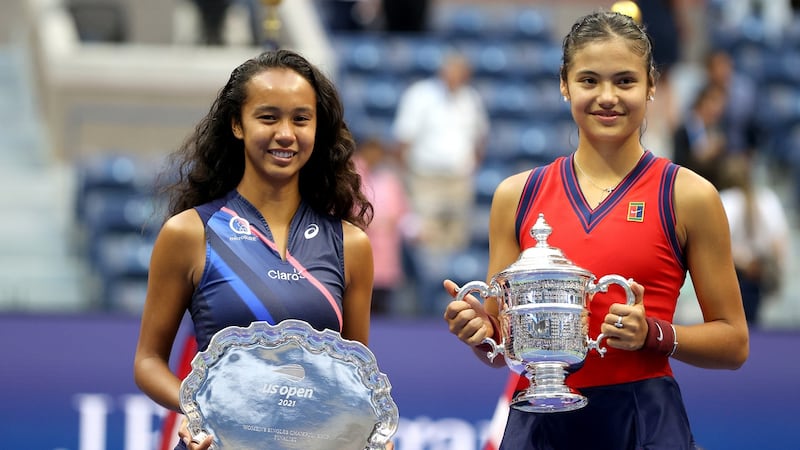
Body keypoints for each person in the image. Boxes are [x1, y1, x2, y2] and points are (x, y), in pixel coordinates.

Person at [443, 11, 749, 450]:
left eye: (625, 81)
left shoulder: (689, 195)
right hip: (540, 422)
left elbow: (734, 342)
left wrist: (654, 334)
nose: (608, 97)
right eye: (589, 80)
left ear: (652, 85)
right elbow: (506, 347)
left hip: (644, 422)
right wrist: (480, 331)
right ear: (564, 84)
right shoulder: (516, 196)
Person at [132, 49, 389, 449]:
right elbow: (148, 362)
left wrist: (367, 430)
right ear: (237, 124)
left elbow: (352, 375)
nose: (285, 133)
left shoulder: (351, 244)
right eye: (268, 117)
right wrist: (198, 409)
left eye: (301, 119)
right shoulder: (189, 233)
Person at [392, 51, 489, 253]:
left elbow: (480, 138)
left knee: (456, 236)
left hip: (458, 179)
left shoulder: (471, 98)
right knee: (427, 236)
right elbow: (403, 139)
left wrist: (471, 167)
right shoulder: (420, 95)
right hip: (426, 178)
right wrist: (405, 177)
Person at [718, 154, 790, 326]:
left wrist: (746, 263)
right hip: (755, 272)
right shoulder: (767, 199)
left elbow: (718, 244)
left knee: (733, 324)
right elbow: (779, 242)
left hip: (736, 273)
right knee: (751, 324)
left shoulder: (726, 199)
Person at [354, 136, 418, 315]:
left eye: (378, 151)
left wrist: (414, 230)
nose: (374, 156)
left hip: (386, 263)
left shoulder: (390, 181)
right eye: (370, 151)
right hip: (358, 259)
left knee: (382, 313)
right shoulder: (350, 179)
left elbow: (403, 216)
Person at [671, 82, 729, 188]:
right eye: (714, 101)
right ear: (702, 101)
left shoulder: (717, 130)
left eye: (721, 103)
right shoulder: (685, 130)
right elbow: (678, 166)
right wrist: (701, 157)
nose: (718, 108)